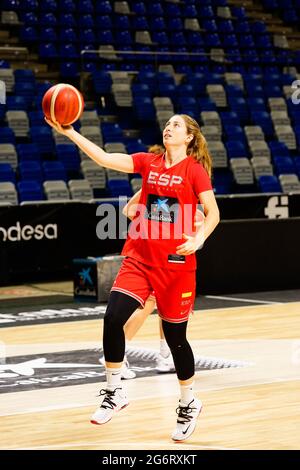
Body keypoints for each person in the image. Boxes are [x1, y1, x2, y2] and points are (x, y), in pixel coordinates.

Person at [45, 114, 220, 441]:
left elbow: (213, 212)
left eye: (177, 126)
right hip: (139, 259)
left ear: (190, 139)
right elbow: (104, 158)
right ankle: (115, 392)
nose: (169, 128)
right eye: (167, 124)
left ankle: (188, 402)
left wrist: (199, 238)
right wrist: (70, 132)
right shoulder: (148, 162)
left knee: (176, 339)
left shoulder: (194, 171)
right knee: (112, 319)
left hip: (176, 266)